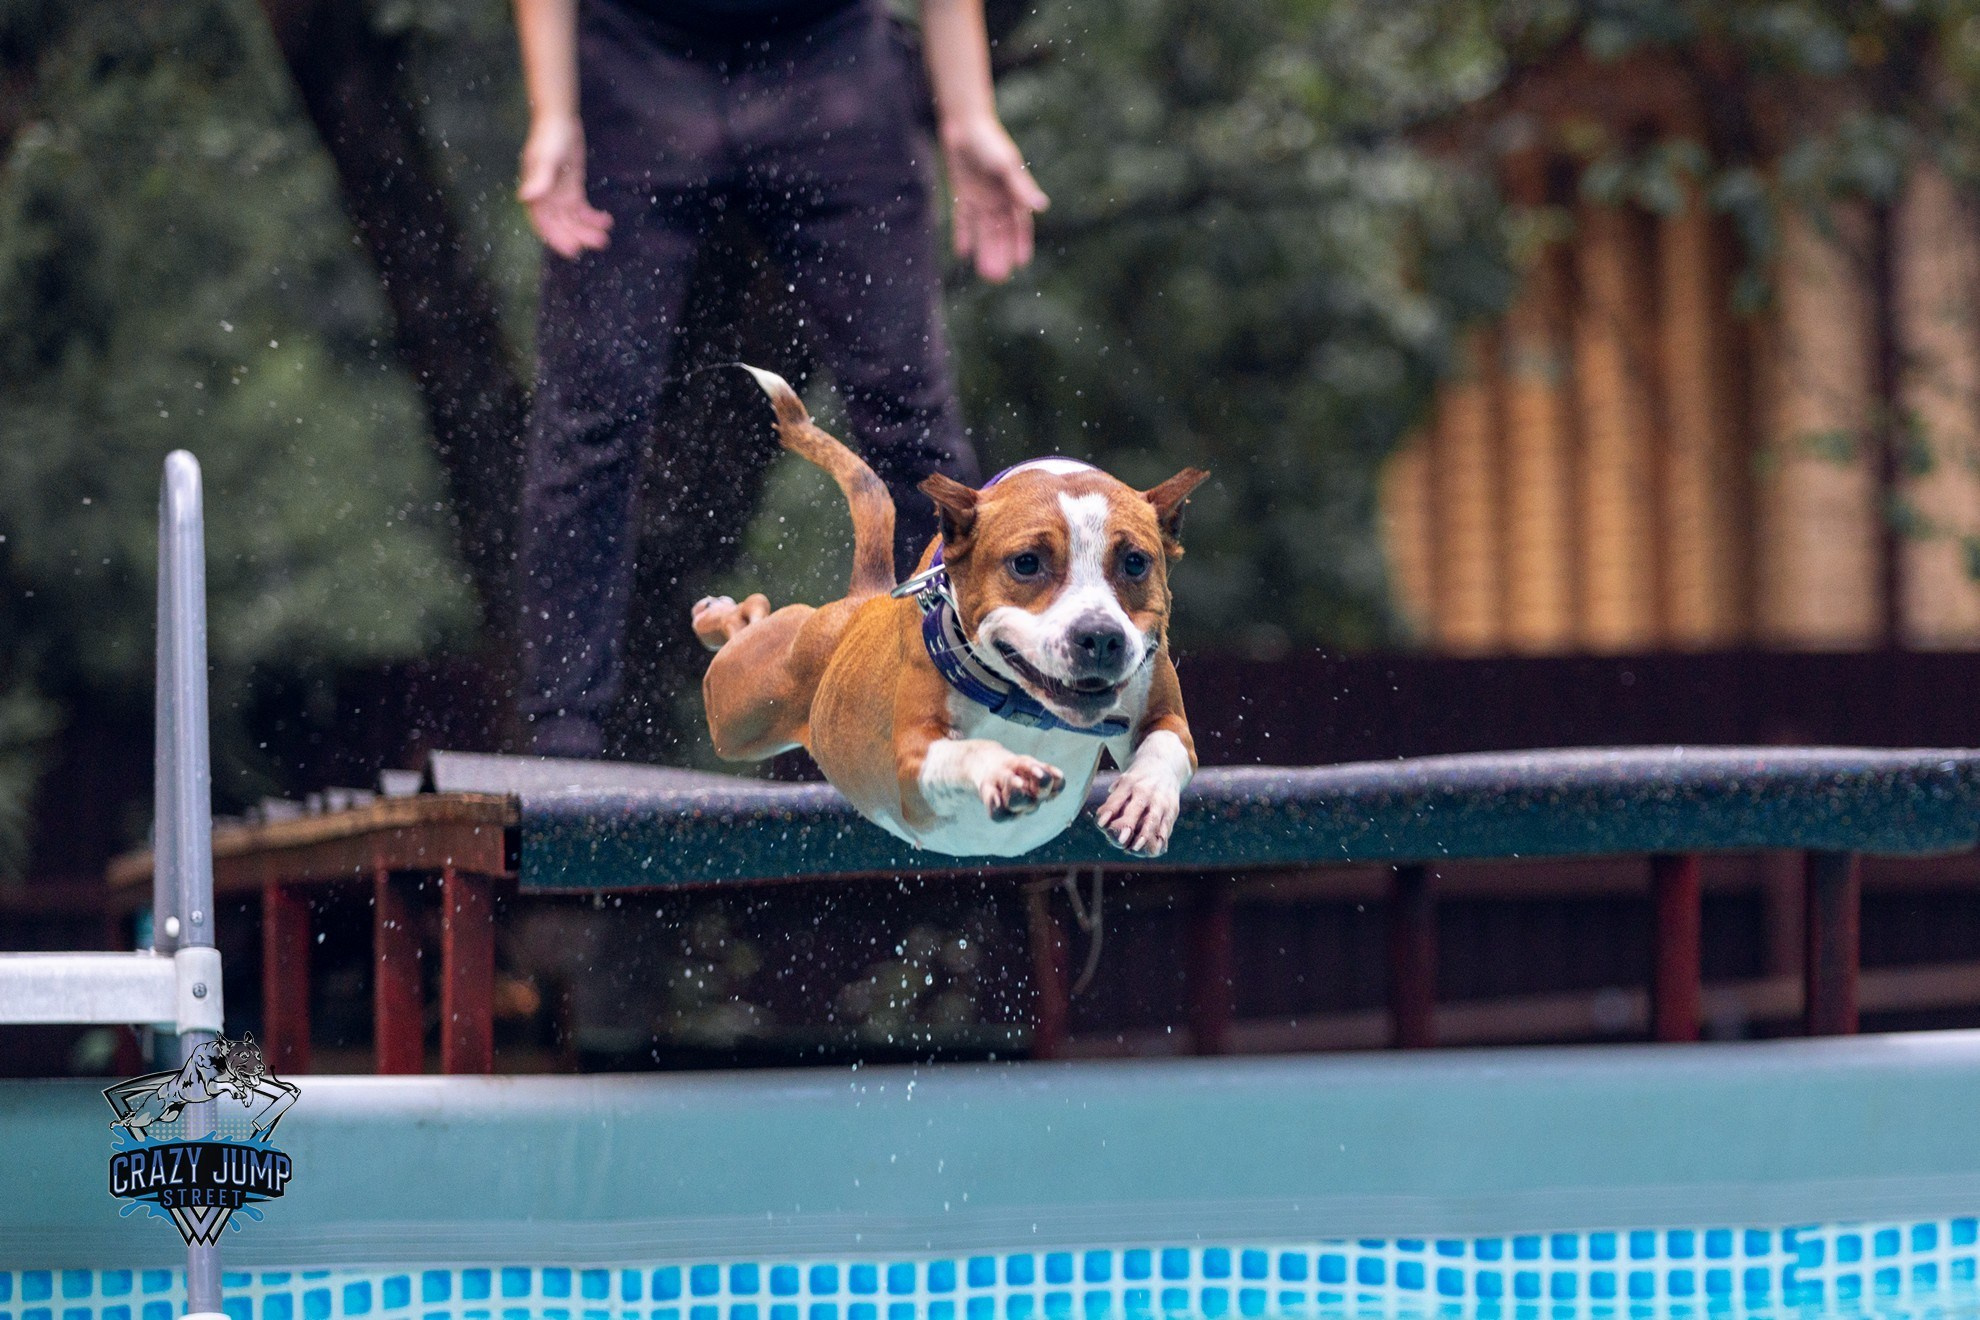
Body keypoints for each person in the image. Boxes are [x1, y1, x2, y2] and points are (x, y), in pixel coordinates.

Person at [512, 0, 1048, 759]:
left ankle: (953, 707)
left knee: (910, 416)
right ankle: (561, 734)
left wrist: (967, 116)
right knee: (591, 414)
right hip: (635, 59)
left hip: (831, 57)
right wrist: (554, 110)